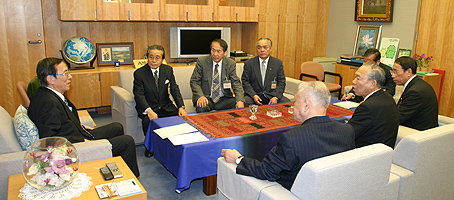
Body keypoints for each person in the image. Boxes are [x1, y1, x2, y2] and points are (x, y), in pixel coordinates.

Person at [221, 81, 355, 190]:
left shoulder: (291, 139)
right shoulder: (346, 131)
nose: (293, 106)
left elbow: (266, 171)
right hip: (331, 189)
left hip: (293, 191)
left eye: (295, 101)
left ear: (306, 105)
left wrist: (238, 159)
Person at [28, 58, 140, 177]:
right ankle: (132, 178)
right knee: (127, 142)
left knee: (117, 127)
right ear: (50, 79)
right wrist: (80, 140)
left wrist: (79, 126)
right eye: (65, 73)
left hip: (79, 133)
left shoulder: (46, 93)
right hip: (76, 146)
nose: (70, 77)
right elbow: (50, 139)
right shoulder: (48, 102)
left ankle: (116, 169)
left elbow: (60, 120)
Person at [133, 45, 187, 157]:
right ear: (147, 57)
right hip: (149, 107)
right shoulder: (139, 74)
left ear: (162, 59)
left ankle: (174, 145)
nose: (153, 60)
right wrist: (148, 110)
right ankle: (150, 146)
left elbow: (174, 89)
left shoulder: (168, 70)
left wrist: (181, 106)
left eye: (157, 57)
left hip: (165, 106)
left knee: (179, 118)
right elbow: (139, 95)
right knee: (147, 121)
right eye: (151, 57)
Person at [347, 62, 399, 148]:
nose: (353, 81)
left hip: (364, 154)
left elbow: (348, 134)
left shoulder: (367, 107)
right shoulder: (388, 98)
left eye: (358, 78)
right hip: (382, 153)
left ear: (373, 84)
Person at [190, 38, 245, 113]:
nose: (215, 54)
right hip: (206, 98)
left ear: (225, 52)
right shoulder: (202, 62)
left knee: (241, 102)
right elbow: (194, 81)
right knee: (201, 107)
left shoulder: (230, 63)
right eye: (213, 50)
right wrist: (200, 96)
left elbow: (236, 83)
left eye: (218, 51)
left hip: (223, 99)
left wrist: (239, 100)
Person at [392, 56, 438, 131]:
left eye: (396, 71)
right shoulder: (417, 84)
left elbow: (398, 118)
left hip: (418, 134)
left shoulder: (414, 92)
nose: (393, 76)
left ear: (409, 72)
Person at [241, 38, 289, 106]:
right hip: (254, 96)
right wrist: (253, 95)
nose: (262, 50)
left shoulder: (277, 63)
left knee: (287, 103)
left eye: (265, 47)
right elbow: (245, 81)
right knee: (245, 102)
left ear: (270, 48)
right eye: (259, 48)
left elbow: (281, 82)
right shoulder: (249, 63)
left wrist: (276, 97)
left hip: (272, 95)